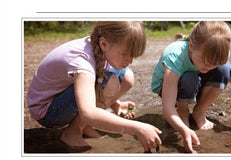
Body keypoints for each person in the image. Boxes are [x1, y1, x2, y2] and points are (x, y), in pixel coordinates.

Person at [27, 21, 162, 152]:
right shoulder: (81, 61)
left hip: (63, 98)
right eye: (125, 54)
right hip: (48, 111)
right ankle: (72, 132)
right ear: (103, 43)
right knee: (108, 81)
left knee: (127, 77)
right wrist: (138, 128)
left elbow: (97, 78)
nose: (129, 61)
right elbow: (88, 112)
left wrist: (116, 104)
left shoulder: (101, 47)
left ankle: (82, 126)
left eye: (133, 56)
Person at [151, 21, 231, 153]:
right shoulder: (175, 57)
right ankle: (182, 111)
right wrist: (183, 130)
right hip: (168, 87)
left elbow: (229, 69)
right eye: (206, 61)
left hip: (196, 79)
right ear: (191, 46)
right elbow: (167, 108)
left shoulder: (216, 53)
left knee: (224, 68)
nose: (209, 66)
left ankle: (199, 112)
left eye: (214, 63)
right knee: (189, 78)